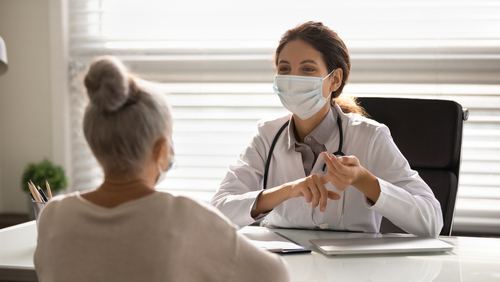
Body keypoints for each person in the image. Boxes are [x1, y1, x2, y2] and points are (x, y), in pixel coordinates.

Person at [34, 56, 290, 282]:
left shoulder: (53, 216)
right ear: (159, 150)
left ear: (94, 143)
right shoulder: (185, 216)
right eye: (170, 139)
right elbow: (275, 275)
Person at [210, 21, 443, 237]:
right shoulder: (266, 134)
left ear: (335, 80)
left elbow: (431, 221)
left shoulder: (370, 137)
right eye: (284, 69)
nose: (293, 79)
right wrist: (287, 190)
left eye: (308, 69)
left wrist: (363, 180)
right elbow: (217, 213)